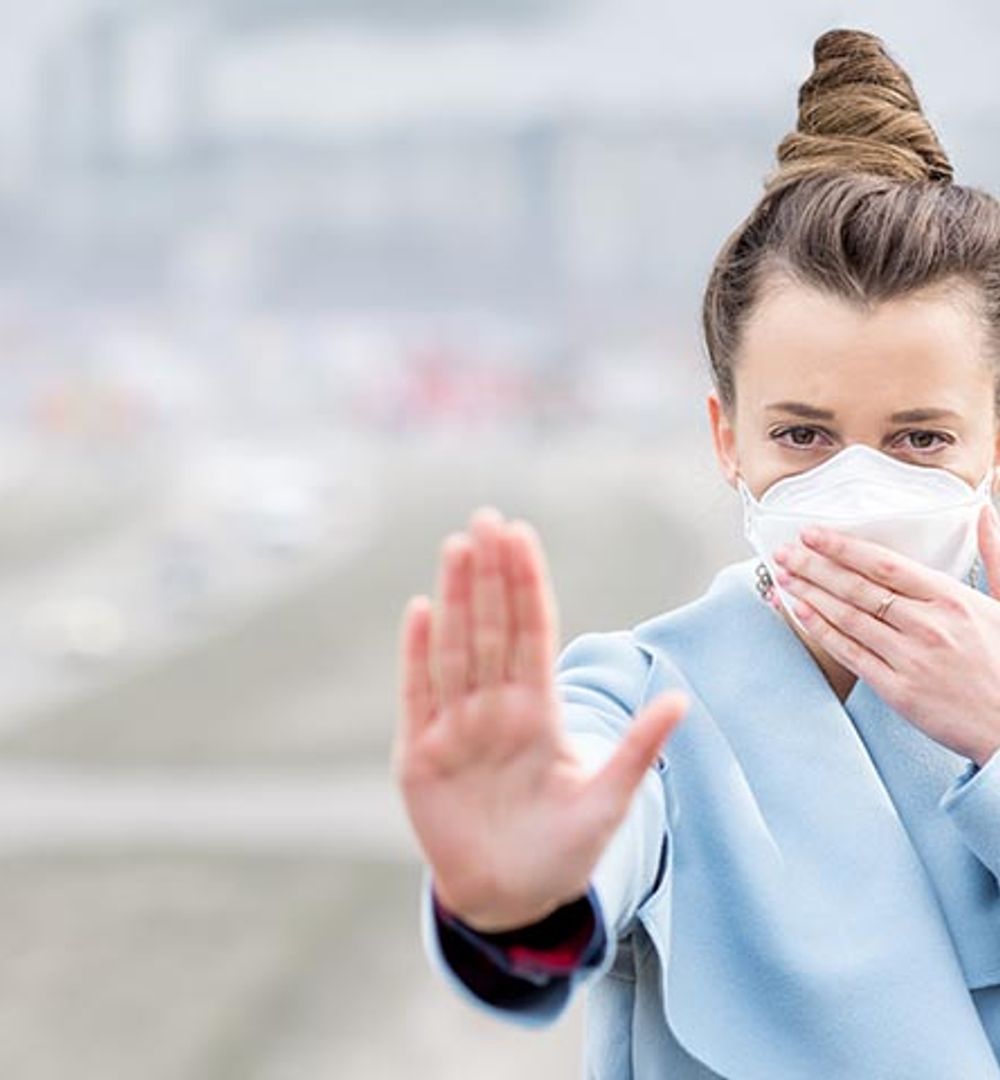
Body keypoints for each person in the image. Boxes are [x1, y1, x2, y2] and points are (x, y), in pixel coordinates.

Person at [391, 26, 1000, 1079]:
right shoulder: (646, 701)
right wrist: (513, 896)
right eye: (802, 434)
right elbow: (589, 818)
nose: (855, 486)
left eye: (920, 438)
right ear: (727, 439)